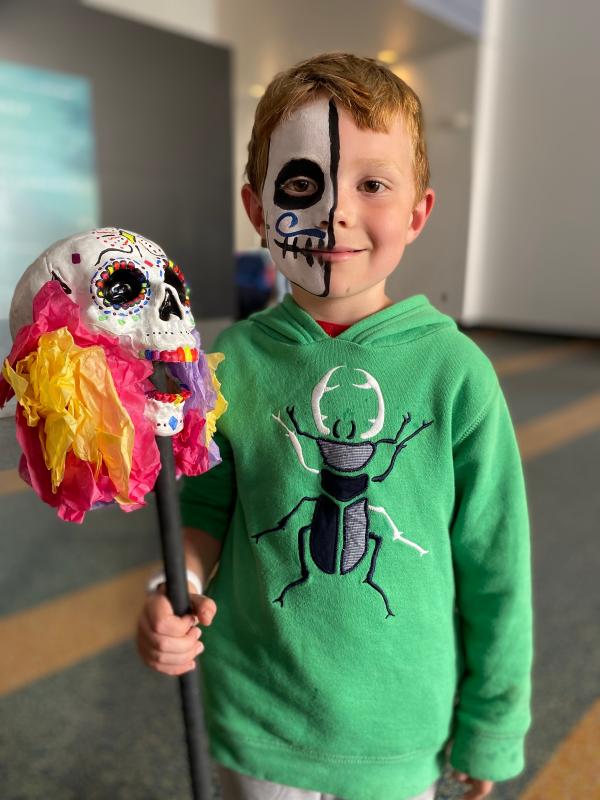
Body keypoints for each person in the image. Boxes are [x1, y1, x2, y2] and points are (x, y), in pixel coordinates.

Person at [136, 53, 533, 800]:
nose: (335, 213)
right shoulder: (227, 362)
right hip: (259, 713)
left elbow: (497, 562)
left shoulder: (457, 372)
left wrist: (493, 721)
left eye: (372, 185)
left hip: (400, 729)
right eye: (301, 185)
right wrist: (175, 584)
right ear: (258, 210)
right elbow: (205, 506)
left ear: (418, 211)